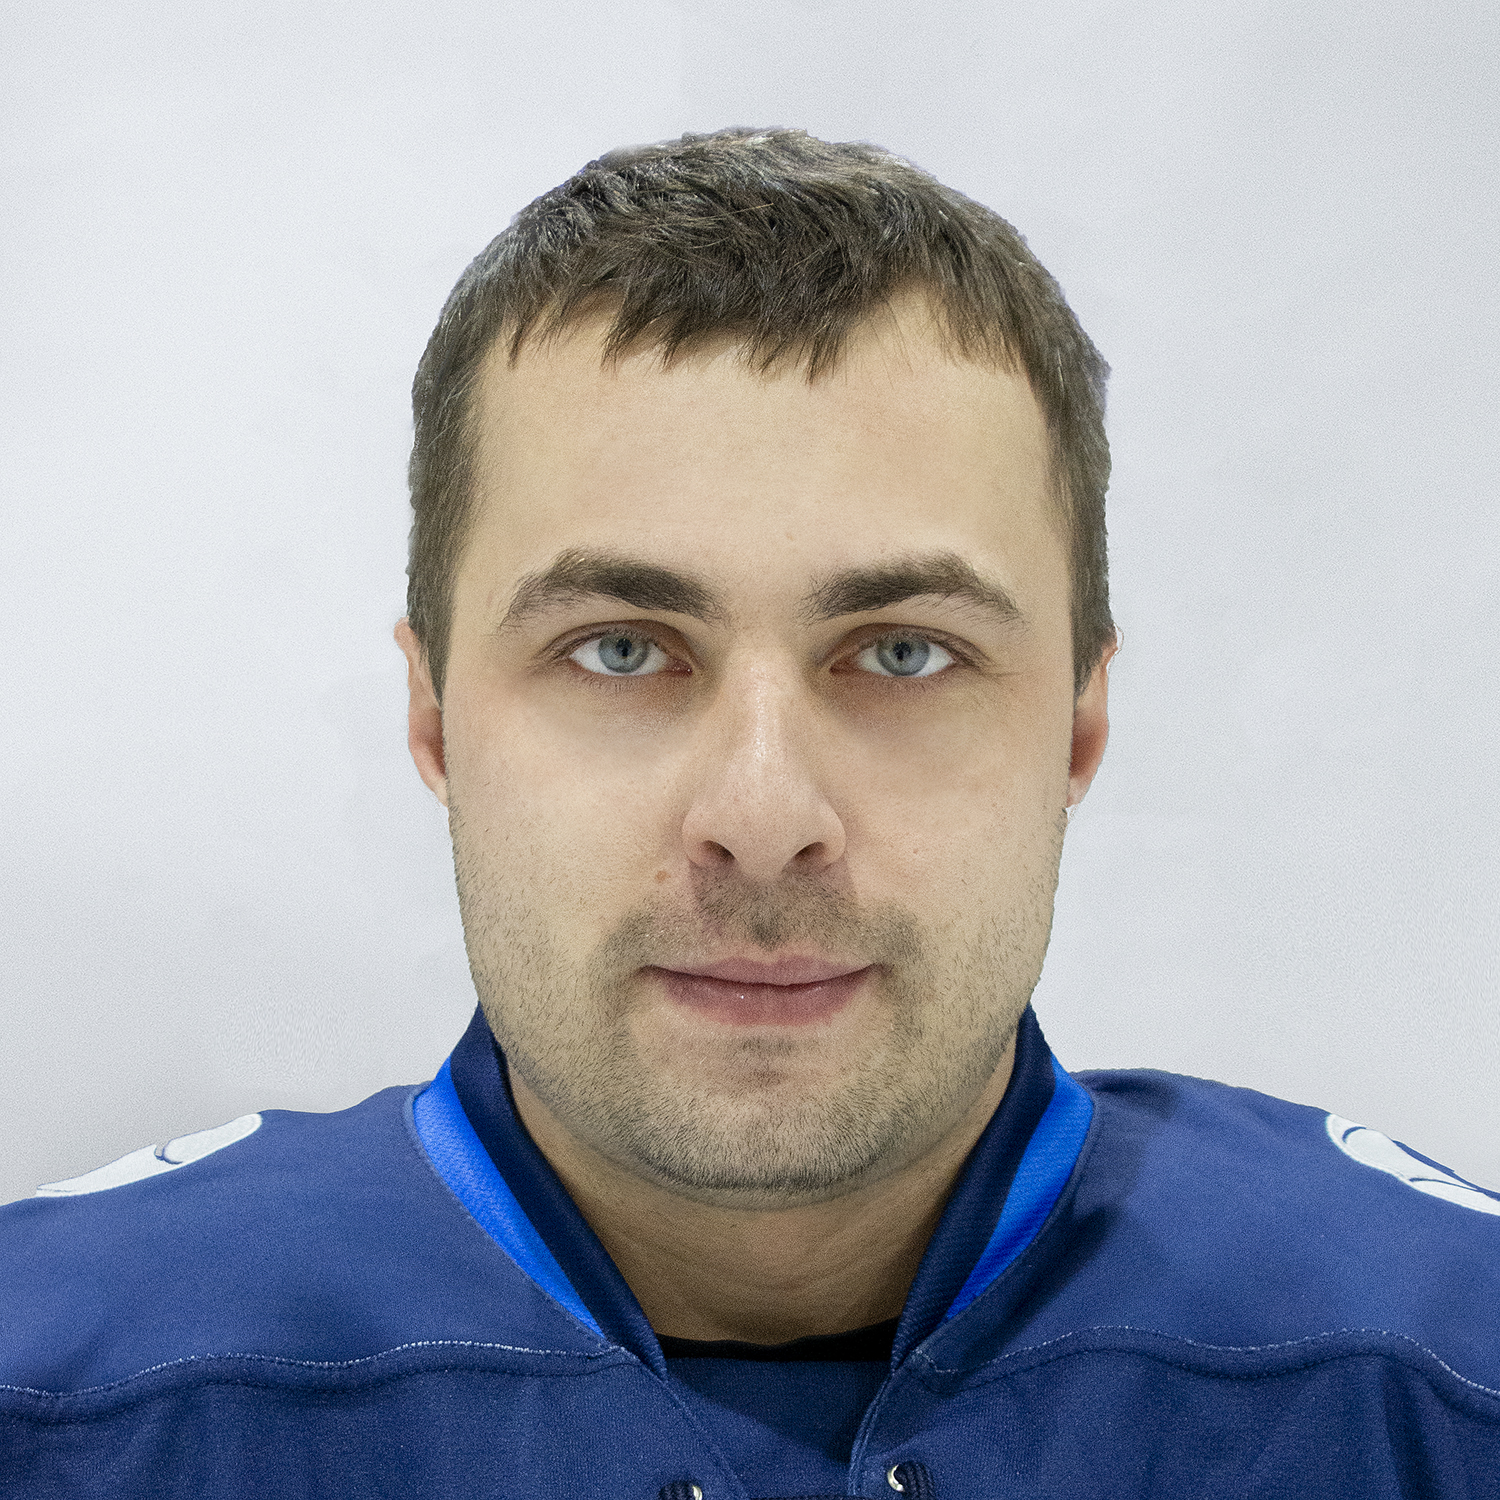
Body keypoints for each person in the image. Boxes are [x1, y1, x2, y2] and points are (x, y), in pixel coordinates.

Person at [2, 128, 1496, 1500]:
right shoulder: (57, 1399)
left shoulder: (1441, 1379)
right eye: (620, 650)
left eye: (903, 653)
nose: (765, 815)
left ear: (1078, 726)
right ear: (437, 719)